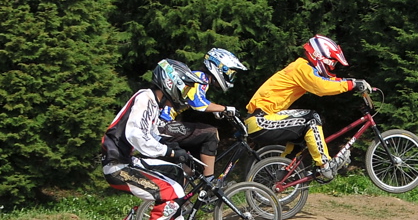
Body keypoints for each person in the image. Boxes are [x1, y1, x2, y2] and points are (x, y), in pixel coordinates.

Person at [100, 60, 200, 220]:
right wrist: (169, 151)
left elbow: (152, 135)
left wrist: (177, 151)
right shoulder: (144, 98)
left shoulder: (154, 103)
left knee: (175, 173)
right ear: (172, 81)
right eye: (185, 85)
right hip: (117, 166)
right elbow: (136, 135)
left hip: (128, 160)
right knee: (169, 192)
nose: (186, 91)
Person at [244, 34, 371, 180]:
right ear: (320, 56)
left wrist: (353, 81)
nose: (332, 67)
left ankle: (283, 173)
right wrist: (352, 84)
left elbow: (327, 80)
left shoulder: (304, 68)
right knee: (311, 119)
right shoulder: (301, 68)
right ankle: (325, 166)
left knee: (303, 134)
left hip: (263, 118)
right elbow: (322, 86)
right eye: (332, 63)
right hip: (261, 121)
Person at [157, 48, 248, 180]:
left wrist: (217, 109)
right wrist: (225, 108)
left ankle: (181, 196)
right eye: (230, 74)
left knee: (194, 159)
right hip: (162, 125)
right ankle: (209, 182)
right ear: (219, 68)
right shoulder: (199, 77)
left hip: (162, 125)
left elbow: (196, 100)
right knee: (211, 133)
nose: (230, 79)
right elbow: (198, 104)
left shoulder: (200, 78)